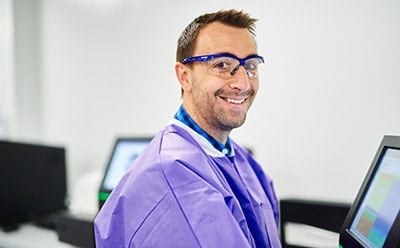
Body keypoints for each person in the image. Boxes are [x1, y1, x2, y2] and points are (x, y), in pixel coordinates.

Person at [94, 9, 281, 247]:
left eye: (251, 66)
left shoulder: (246, 164)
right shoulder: (172, 174)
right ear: (184, 76)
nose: (243, 83)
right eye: (223, 65)